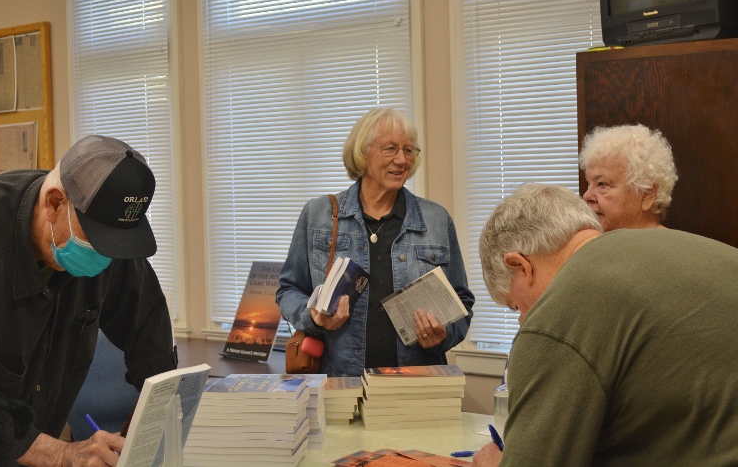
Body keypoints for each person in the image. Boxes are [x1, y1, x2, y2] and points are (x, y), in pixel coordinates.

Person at [0, 135, 177, 466]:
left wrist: (139, 440)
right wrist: (64, 454)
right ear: (54, 203)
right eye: (97, 241)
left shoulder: (108, 230)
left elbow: (152, 344)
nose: (107, 258)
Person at [472, 183, 738, 466]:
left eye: (515, 305)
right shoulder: (697, 251)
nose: (522, 320)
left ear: (521, 266)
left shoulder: (562, 309)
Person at [276, 107, 474, 377]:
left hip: (416, 387)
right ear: (362, 153)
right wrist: (312, 316)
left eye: (408, 150)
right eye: (390, 148)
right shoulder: (318, 215)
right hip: (339, 383)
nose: (402, 160)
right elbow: (288, 290)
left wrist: (442, 335)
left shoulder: (436, 219)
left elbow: (461, 303)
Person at [579, 124, 678, 231]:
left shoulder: (672, 247)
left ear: (647, 194)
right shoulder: (591, 245)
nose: (586, 196)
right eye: (589, 183)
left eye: (602, 184)